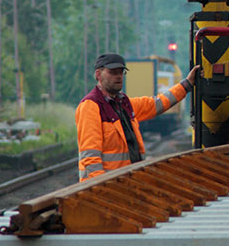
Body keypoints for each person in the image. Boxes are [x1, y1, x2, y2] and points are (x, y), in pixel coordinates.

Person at [76, 52, 200, 180]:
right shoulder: (91, 106)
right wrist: (99, 187)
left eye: (121, 72)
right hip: (106, 187)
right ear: (98, 74)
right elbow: (90, 157)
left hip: (125, 182)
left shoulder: (124, 104)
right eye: (112, 72)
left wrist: (187, 84)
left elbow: (157, 103)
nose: (118, 76)